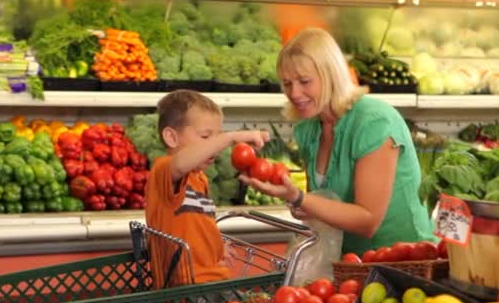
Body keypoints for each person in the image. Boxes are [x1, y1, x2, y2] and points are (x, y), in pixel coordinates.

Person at [239, 28, 435, 257]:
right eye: (287, 83)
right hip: (349, 262)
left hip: (404, 260)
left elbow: (367, 221)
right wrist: (304, 207)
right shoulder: (309, 130)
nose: (294, 92)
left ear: (331, 75)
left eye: (304, 81)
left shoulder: (374, 122)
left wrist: (300, 198)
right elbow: (324, 204)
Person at [145, 89, 269, 289]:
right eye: (206, 137)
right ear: (171, 137)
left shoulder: (199, 178)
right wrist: (231, 137)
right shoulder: (164, 171)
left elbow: (196, 225)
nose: (215, 146)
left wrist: (217, 247)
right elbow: (180, 164)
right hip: (187, 285)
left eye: (217, 137)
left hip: (211, 279)